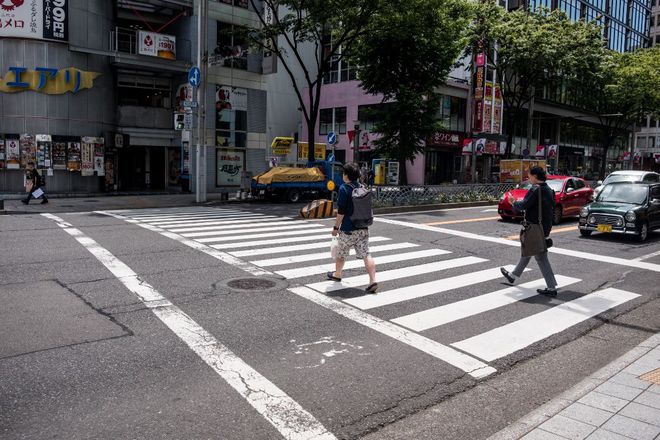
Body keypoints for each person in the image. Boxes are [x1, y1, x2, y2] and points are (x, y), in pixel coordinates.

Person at [500, 166, 557, 297]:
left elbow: (524, 205)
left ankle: (552, 288)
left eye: (529, 175)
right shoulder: (549, 190)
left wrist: (513, 202)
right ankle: (513, 275)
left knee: (538, 255)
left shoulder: (535, 189)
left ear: (535, 176)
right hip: (544, 227)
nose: (528, 178)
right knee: (531, 251)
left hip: (534, 227)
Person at [327, 162, 378, 293]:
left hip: (348, 230)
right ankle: (373, 280)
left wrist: (335, 227)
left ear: (346, 175)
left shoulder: (344, 189)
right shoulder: (362, 187)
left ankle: (337, 274)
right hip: (363, 227)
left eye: (343, 173)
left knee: (341, 253)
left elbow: (341, 211)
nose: (342, 175)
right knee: (366, 254)